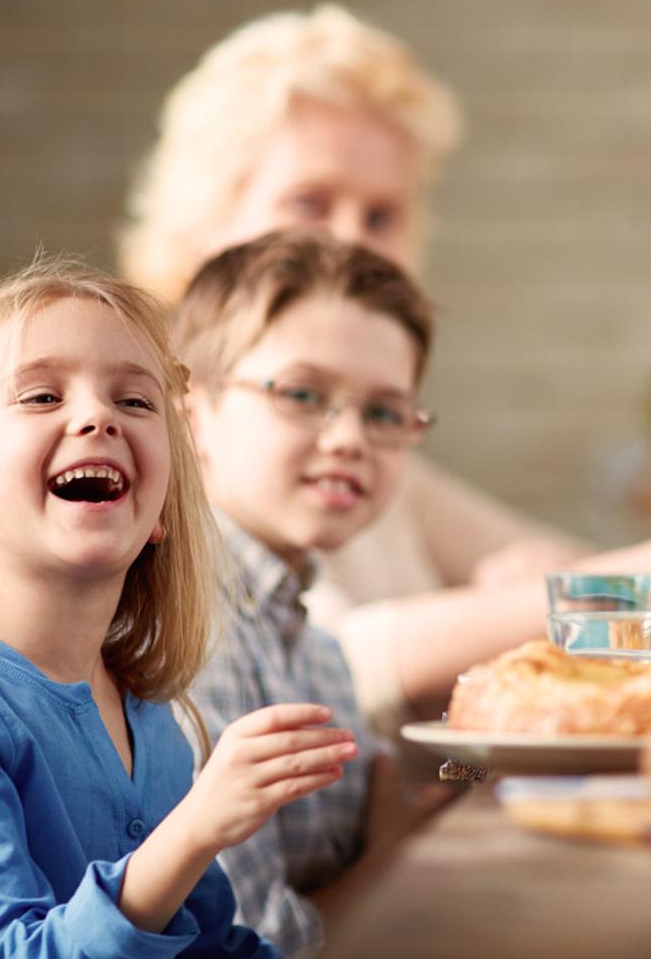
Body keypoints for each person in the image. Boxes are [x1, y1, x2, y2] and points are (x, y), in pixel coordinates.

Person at [118, 4, 651, 735]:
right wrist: (630, 585)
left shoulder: (354, 436)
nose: (355, 242)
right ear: (202, 219)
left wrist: (591, 580)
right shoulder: (173, 431)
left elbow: (552, 562)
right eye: (310, 203)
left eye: (382, 216)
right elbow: (311, 669)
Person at [0, 260, 354, 955]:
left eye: (134, 402)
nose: (97, 416)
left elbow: (208, 944)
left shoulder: (149, 715)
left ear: (159, 512)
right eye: (40, 397)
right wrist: (196, 828)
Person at [173, 232, 437, 954]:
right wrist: (391, 861)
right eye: (304, 395)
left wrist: (481, 762)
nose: (350, 436)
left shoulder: (315, 647)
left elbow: (407, 793)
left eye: (385, 413)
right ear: (194, 416)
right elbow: (251, 946)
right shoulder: (183, 633)